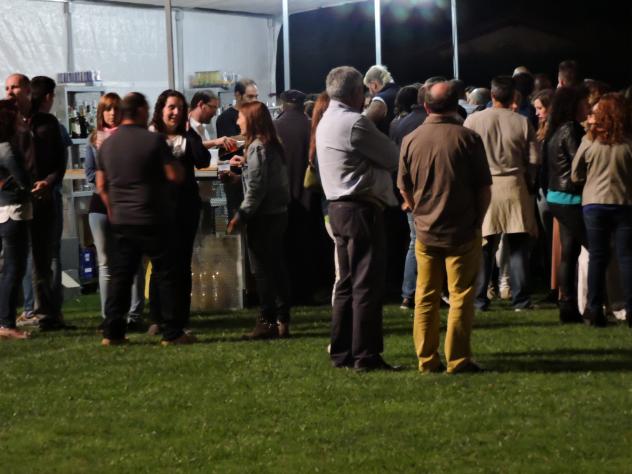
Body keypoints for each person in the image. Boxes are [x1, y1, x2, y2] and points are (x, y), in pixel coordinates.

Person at [398, 81, 491, 373]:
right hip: (462, 229)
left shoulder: (411, 139)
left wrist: (416, 210)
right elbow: (484, 188)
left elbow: (403, 186)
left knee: (425, 296)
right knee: (460, 295)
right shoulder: (468, 138)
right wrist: (478, 220)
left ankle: (427, 359)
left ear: (426, 106)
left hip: (425, 230)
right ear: (456, 105)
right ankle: (458, 358)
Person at [316, 66, 399, 371]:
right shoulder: (354, 123)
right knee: (366, 284)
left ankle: (342, 351)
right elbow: (392, 156)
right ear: (355, 93)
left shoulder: (327, 120)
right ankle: (366, 354)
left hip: (338, 208)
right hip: (360, 209)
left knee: (346, 284)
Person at [96, 92, 190, 346]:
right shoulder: (153, 140)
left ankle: (112, 332)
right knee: (166, 274)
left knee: (121, 276)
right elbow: (174, 175)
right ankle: (173, 332)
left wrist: (112, 208)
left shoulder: (107, 144)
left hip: (122, 219)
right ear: (139, 111)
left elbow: (101, 184)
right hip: (152, 217)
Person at [464, 76, 540, 311]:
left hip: (484, 188)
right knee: (518, 246)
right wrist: (530, 179)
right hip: (515, 186)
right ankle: (521, 299)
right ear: (513, 96)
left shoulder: (473, 120)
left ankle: (479, 299)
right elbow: (534, 159)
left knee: (484, 247)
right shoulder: (522, 122)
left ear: (493, 95)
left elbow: (464, 157)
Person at [227, 102, 291, 339]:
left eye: (240, 117)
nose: (237, 122)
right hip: (277, 213)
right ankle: (282, 319)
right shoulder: (272, 144)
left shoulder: (257, 147)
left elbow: (256, 188)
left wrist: (240, 215)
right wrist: (240, 174)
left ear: (252, 119)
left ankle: (267, 321)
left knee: (263, 271)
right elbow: (264, 180)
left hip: (263, 217)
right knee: (276, 267)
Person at [149, 89, 210, 332]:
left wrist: (190, 133)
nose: (175, 112)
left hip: (185, 208)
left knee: (183, 263)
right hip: (159, 208)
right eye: (171, 107)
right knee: (161, 264)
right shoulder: (151, 136)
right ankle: (157, 318)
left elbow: (203, 160)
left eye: (180, 108)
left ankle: (180, 318)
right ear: (161, 109)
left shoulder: (187, 136)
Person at [85, 92, 145, 329]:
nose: (111, 114)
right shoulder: (94, 140)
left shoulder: (129, 138)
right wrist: (109, 182)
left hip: (126, 205)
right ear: (101, 113)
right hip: (100, 206)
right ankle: (108, 315)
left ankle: (134, 314)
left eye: (115, 109)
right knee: (105, 263)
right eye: (107, 109)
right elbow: (90, 173)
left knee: (133, 260)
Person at [572, 93, 632, 328]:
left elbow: (576, 173)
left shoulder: (590, 141)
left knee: (597, 256)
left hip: (594, 202)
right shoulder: (628, 142)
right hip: (625, 202)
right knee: (626, 257)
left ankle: (595, 309)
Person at [22, 75, 68, 330]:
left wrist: (46, 183)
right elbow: (61, 161)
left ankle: (38, 309)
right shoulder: (46, 125)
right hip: (39, 196)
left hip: (39, 195)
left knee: (37, 256)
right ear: (49, 96)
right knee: (46, 255)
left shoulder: (46, 124)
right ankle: (44, 309)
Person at [544, 86, 590, 322]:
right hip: (571, 198)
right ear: (574, 105)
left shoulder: (556, 129)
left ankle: (567, 305)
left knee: (569, 252)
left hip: (557, 196)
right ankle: (594, 303)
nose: (588, 107)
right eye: (585, 103)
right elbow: (578, 165)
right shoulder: (571, 129)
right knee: (595, 248)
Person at [274, 89, 314, 305]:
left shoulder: (275, 127)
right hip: (308, 194)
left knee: (284, 247)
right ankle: (305, 291)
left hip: (282, 196)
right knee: (305, 246)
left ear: (283, 104)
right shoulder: (312, 126)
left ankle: (286, 292)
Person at [0, 99, 32, 340]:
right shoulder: (7, 149)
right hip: (13, 210)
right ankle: (7, 323)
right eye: (17, 115)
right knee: (14, 268)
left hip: (5, 210)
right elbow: (23, 180)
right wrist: (32, 186)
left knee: (9, 269)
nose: (22, 119)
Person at [216, 79, 258, 218]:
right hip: (234, 179)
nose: (254, 100)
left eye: (256, 96)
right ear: (238, 95)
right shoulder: (225, 118)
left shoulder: (256, 116)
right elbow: (227, 146)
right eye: (250, 96)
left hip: (254, 179)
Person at [363, 65, 400, 135]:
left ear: (374, 85)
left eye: (369, 87)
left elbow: (363, 125)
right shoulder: (401, 91)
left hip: (387, 140)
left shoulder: (380, 100)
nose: (369, 91)